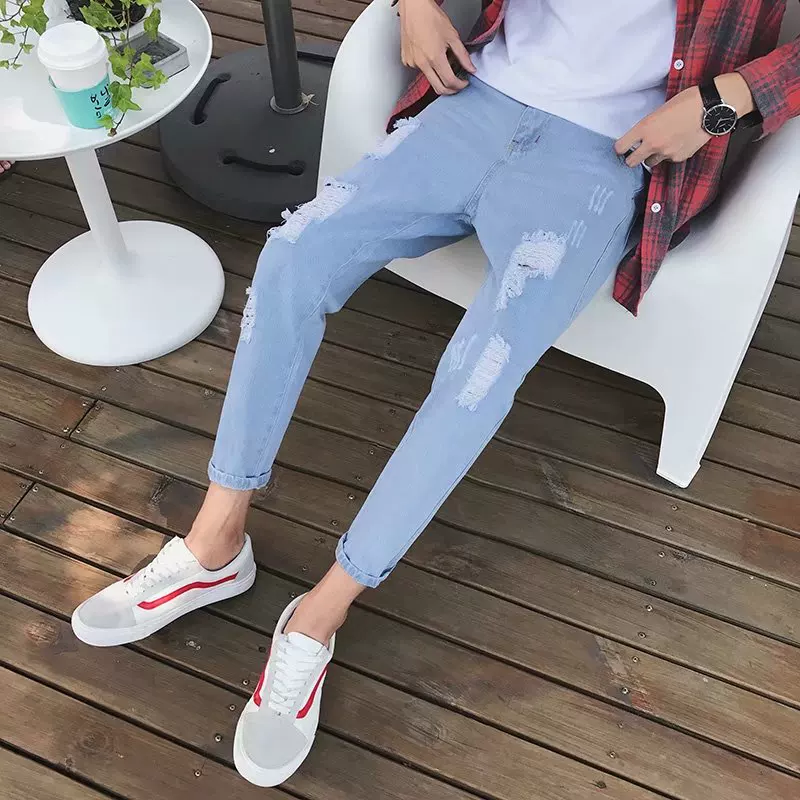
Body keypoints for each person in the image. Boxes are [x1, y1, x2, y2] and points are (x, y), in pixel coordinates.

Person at [70, 0, 800, 787]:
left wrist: (724, 99)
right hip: (477, 98)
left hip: (610, 154)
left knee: (480, 370)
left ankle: (320, 615)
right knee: (292, 258)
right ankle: (215, 543)